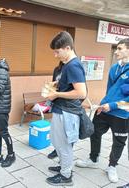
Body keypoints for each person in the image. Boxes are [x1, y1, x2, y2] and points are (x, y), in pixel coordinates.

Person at [75, 38, 129, 183]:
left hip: (122, 114)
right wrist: (104, 104)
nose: (116, 51)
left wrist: (112, 105)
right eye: (116, 48)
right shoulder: (114, 68)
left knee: (118, 141)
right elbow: (110, 90)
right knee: (94, 132)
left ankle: (112, 166)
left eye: (120, 48)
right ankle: (93, 159)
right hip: (105, 109)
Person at [45, 31, 87, 186]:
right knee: (57, 142)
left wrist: (56, 94)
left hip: (67, 112)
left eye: (57, 51)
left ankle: (66, 175)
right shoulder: (66, 65)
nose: (55, 55)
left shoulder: (74, 65)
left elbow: (81, 93)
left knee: (64, 145)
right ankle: (63, 166)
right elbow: (68, 87)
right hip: (61, 109)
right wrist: (55, 87)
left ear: (67, 48)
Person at [48, 61, 64, 159]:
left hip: (67, 106)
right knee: (56, 132)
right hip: (57, 104)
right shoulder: (57, 69)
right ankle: (56, 150)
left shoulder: (72, 68)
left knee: (65, 134)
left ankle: (63, 155)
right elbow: (53, 84)